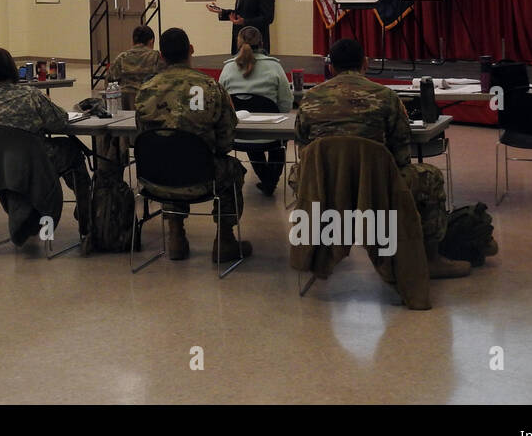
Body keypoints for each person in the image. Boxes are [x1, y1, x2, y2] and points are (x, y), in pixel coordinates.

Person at [295, 37, 482, 278]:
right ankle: (430, 259)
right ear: (365, 63)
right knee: (431, 176)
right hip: (376, 186)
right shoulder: (385, 97)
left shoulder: (310, 98)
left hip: (324, 184)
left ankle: (316, 252)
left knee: (297, 173)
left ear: (331, 68)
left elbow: (303, 147)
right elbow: (401, 154)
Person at [134, 28, 252, 263]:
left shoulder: (146, 90)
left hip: (156, 179)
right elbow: (226, 139)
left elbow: (142, 135)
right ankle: (225, 239)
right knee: (233, 169)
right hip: (202, 177)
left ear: (161, 56)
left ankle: (176, 236)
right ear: (191, 50)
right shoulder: (210, 87)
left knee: (167, 157)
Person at [0, 47, 90, 246]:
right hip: (32, 163)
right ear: (11, 68)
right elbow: (59, 121)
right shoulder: (29, 95)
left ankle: (27, 216)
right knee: (71, 150)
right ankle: (86, 216)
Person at [217, 25, 291, 196]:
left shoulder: (228, 68)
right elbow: (286, 102)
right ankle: (271, 180)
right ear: (262, 42)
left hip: (239, 134)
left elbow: (221, 101)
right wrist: (277, 117)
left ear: (238, 43)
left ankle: (266, 178)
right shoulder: (274, 67)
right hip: (272, 134)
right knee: (279, 140)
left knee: (248, 127)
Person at [96, 25, 164, 174]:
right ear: (151, 41)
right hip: (147, 122)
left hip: (121, 124)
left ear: (133, 41)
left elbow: (109, 84)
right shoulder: (156, 57)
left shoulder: (121, 58)